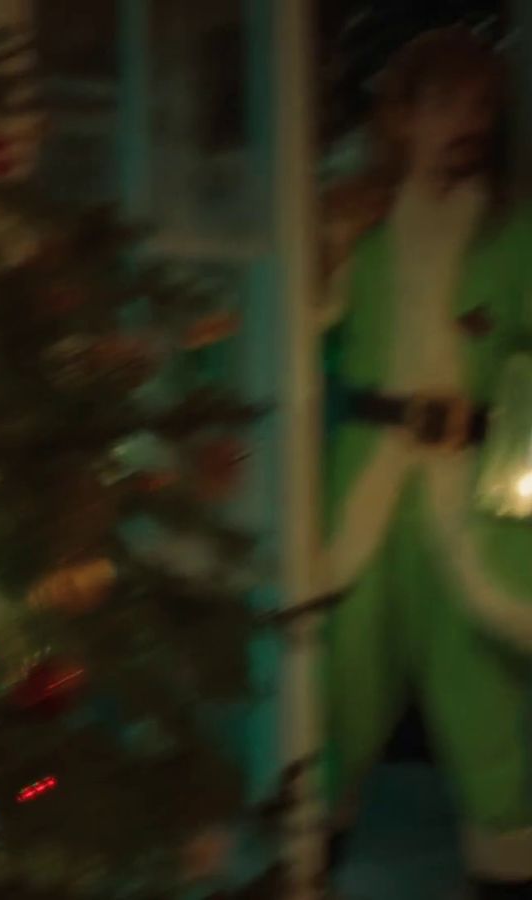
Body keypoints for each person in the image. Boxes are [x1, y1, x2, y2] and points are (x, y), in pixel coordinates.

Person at [318, 28, 532, 899]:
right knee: (335, 686)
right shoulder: (355, 222)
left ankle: (507, 873)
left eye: (482, 105)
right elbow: (297, 338)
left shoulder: (513, 236)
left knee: (481, 697)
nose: (468, 122)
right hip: (363, 492)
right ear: (402, 119)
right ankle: (304, 861)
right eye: (448, 102)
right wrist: (327, 247)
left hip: (472, 499)